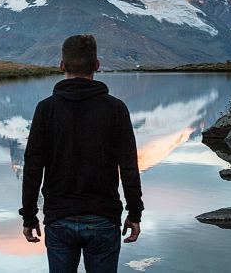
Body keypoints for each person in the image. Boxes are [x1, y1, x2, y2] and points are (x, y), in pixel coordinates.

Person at [19, 34, 144, 273]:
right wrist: (134, 212)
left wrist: (29, 216)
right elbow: (129, 166)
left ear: (62, 65)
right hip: (104, 217)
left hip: (59, 218)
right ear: (96, 65)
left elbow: (33, 167)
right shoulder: (116, 109)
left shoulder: (46, 109)